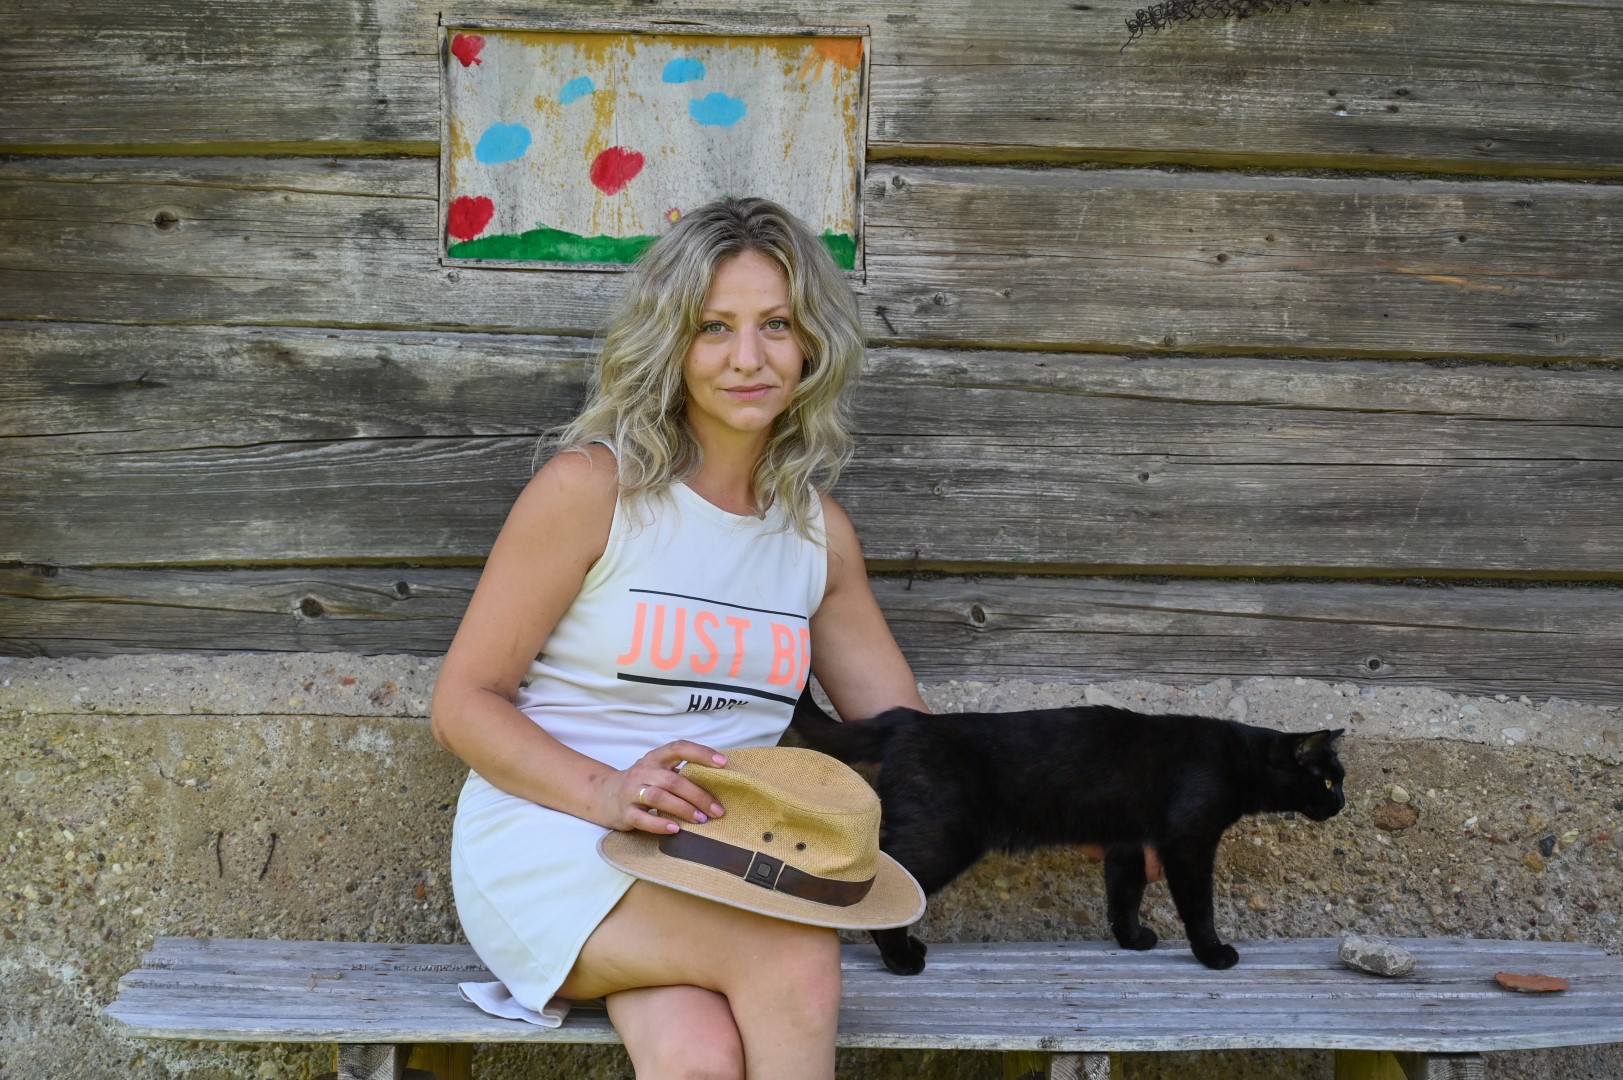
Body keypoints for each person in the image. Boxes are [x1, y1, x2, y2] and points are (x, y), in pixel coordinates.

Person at [430, 195, 927, 1080]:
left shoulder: (815, 536)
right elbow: (463, 704)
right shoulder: (593, 491)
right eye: (713, 327)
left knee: (696, 1060)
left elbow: (913, 742)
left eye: (776, 325)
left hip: (715, 862)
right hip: (557, 839)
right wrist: (607, 790)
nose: (748, 358)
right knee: (794, 955)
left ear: (812, 343)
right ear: (672, 342)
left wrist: (1097, 813)